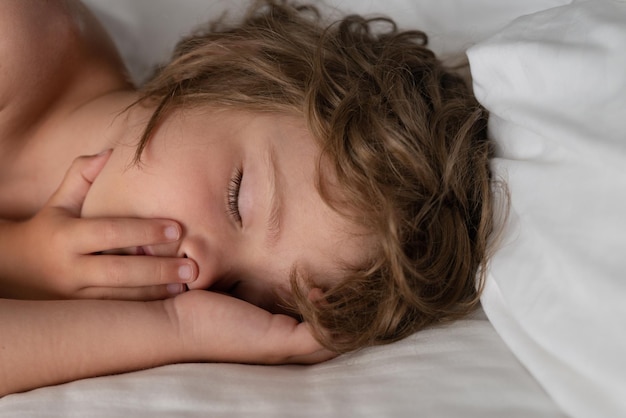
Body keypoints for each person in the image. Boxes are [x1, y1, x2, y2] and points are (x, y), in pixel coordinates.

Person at [0, 0, 494, 396]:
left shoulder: (78, 284)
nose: (198, 274)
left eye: (236, 293)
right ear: (220, 77)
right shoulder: (19, 40)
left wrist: (176, 328)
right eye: (236, 199)